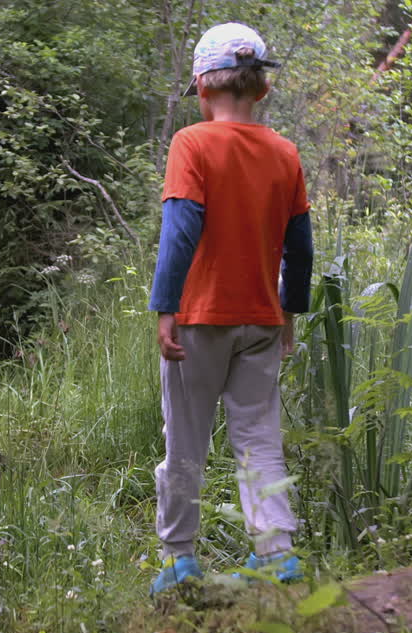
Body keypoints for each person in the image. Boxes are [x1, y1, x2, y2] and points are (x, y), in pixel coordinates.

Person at [147, 22, 314, 595]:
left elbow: (181, 232)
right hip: (262, 320)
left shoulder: (191, 144)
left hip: (199, 318)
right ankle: (277, 554)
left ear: (201, 87)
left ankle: (179, 560)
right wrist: (289, 312)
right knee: (259, 440)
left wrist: (165, 306)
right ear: (261, 89)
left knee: (185, 442)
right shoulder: (285, 154)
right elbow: (300, 247)